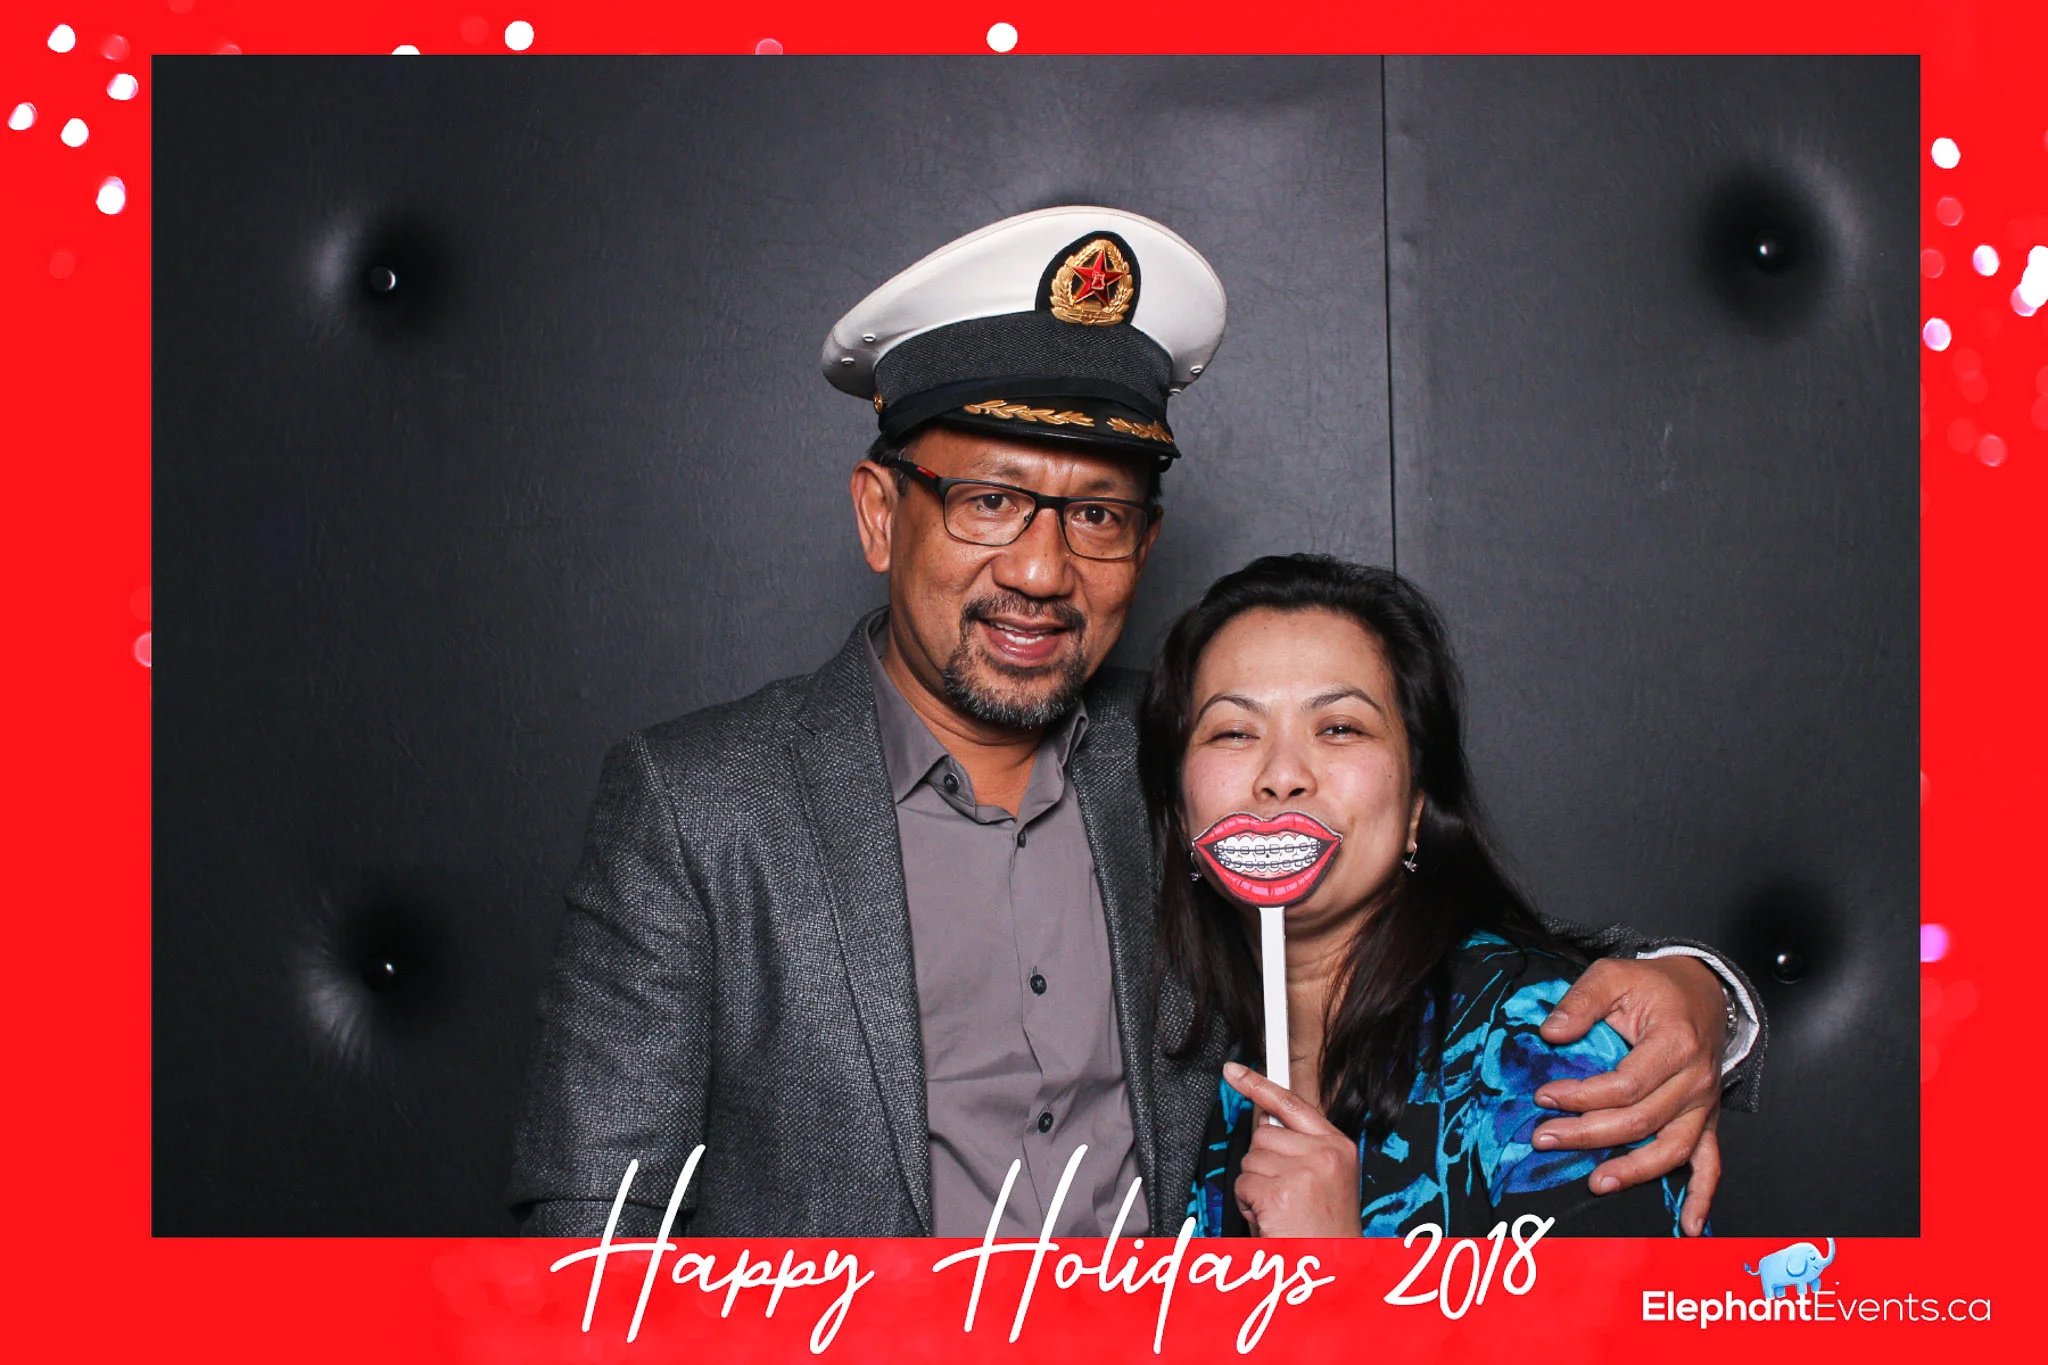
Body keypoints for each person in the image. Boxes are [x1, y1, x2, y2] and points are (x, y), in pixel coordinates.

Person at [507, 206, 1764, 1240]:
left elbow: (1422, 939)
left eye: (1097, 515)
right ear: (882, 515)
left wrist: (1695, 997)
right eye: (989, 500)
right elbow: (589, 1232)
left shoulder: (1180, 768)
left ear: (1143, 543)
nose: (1041, 571)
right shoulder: (700, 807)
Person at [1143, 554, 1691, 1236]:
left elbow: (1647, 1305)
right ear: (1181, 812)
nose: (1282, 775)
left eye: (1339, 727)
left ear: (1416, 803)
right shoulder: (1188, 1073)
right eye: (1233, 732)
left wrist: (1336, 1274)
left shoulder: (1539, 1043)